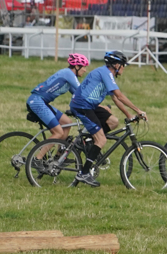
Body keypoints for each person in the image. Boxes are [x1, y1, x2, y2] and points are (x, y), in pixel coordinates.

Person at [68, 50, 148, 187]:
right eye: (123, 65)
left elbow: (116, 99)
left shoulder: (107, 75)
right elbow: (120, 95)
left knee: (113, 121)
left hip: (90, 105)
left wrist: (129, 115)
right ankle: (84, 173)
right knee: (102, 140)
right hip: (82, 106)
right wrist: (138, 110)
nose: (124, 68)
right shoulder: (105, 73)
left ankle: (89, 140)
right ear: (116, 65)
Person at [27, 53, 89, 141]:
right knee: (58, 133)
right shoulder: (68, 73)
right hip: (37, 102)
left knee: (67, 123)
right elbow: (82, 91)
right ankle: (40, 151)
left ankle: (61, 150)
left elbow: (78, 96)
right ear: (77, 66)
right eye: (84, 67)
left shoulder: (68, 77)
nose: (85, 70)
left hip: (42, 102)